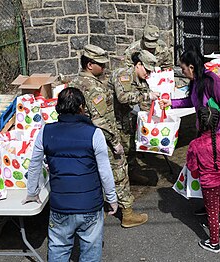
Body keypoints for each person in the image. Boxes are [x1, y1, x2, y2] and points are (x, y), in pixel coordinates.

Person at [22, 87, 118, 261]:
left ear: (58, 107)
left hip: (60, 205)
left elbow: (34, 165)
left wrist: (32, 193)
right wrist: (112, 198)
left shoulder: (45, 132)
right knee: (90, 253)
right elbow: (105, 170)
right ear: (82, 107)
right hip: (90, 205)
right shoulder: (94, 133)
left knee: (58, 250)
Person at [69, 44, 148, 228]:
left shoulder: (74, 83)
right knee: (119, 170)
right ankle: (127, 213)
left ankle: (97, 209)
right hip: (101, 137)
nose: (104, 68)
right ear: (90, 65)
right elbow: (101, 120)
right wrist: (115, 142)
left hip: (82, 137)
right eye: (101, 65)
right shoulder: (94, 89)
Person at [159, 47, 220, 216]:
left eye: (183, 68)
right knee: (207, 175)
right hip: (208, 134)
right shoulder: (196, 82)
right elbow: (191, 100)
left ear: (192, 67)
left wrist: (212, 127)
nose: (182, 71)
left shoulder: (212, 81)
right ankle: (210, 206)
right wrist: (171, 103)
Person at [186, 106, 220, 253]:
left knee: (212, 212)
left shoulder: (195, 145)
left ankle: (214, 242)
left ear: (199, 123)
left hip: (210, 184)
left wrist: (200, 173)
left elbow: (192, 167)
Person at [108, 50, 159, 184]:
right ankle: (119, 184)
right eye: (146, 70)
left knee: (130, 149)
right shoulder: (124, 75)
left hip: (127, 120)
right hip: (113, 121)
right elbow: (123, 98)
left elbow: (145, 100)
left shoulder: (141, 80)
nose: (148, 74)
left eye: (150, 71)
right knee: (118, 155)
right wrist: (147, 96)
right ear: (138, 64)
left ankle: (131, 175)